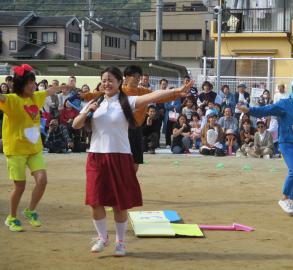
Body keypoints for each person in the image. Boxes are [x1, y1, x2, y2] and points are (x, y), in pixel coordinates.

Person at [72, 66, 193, 256]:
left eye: (111, 80)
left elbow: (154, 96)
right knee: (95, 201)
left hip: (120, 156)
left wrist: (177, 91)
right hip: (96, 156)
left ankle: (120, 242)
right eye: (104, 80)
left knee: (119, 204)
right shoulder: (94, 103)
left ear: (120, 82)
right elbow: (75, 124)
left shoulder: (128, 101)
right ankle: (102, 238)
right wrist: (88, 112)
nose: (107, 83)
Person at [0, 64, 69, 232]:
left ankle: (30, 210)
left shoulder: (35, 97)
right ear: (21, 83)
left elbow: (50, 91)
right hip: (15, 149)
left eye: (34, 82)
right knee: (20, 186)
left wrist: (64, 87)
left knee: (42, 180)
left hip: (34, 148)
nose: (34, 85)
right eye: (30, 82)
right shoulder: (12, 100)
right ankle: (12, 217)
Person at [239, 78, 293, 216]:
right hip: (287, 142)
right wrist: (249, 110)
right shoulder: (284, 103)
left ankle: (292, 202)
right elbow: (266, 109)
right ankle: (284, 198)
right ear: (291, 90)